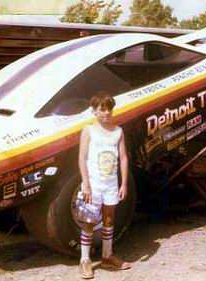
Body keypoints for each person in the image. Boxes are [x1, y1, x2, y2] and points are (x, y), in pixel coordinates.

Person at [78, 92, 132, 279]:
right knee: (90, 221)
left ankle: (107, 256)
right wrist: (85, 183)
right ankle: (85, 260)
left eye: (109, 109)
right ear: (94, 111)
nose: (107, 113)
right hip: (94, 185)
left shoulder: (118, 131)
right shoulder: (88, 131)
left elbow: (123, 158)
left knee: (109, 219)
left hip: (111, 184)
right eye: (102, 109)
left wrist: (123, 183)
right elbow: (82, 158)